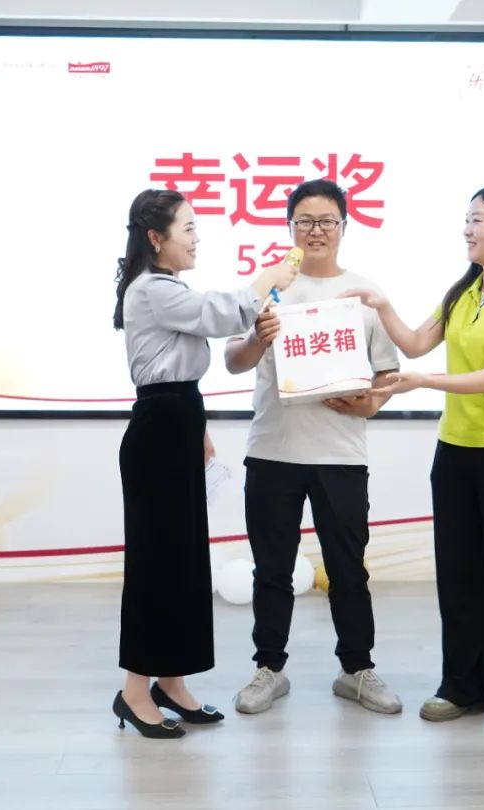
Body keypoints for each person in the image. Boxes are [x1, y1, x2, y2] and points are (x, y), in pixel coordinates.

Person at [343, 184, 484, 741]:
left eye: (477, 219)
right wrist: (382, 307)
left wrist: (420, 382)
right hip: (455, 452)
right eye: (466, 219)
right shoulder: (464, 290)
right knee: (458, 575)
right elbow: (416, 344)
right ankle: (462, 686)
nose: (467, 229)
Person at [112, 188, 298, 738]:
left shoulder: (166, 286)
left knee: (183, 562)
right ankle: (133, 692)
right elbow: (219, 315)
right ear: (156, 237)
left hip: (178, 422)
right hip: (158, 433)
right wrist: (267, 279)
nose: (196, 239)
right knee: (156, 565)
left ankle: (171, 681)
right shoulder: (151, 289)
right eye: (188, 228)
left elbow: (183, 373)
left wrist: (199, 428)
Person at [224, 179, 403, 716]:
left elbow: (387, 373)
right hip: (273, 450)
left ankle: (357, 669)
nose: (316, 230)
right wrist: (257, 337)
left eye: (327, 220)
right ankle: (268, 669)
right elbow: (233, 360)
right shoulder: (269, 288)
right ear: (290, 227)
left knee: (348, 569)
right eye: (305, 221)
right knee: (271, 569)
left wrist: (369, 405)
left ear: (344, 226)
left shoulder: (364, 294)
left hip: (340, 455)